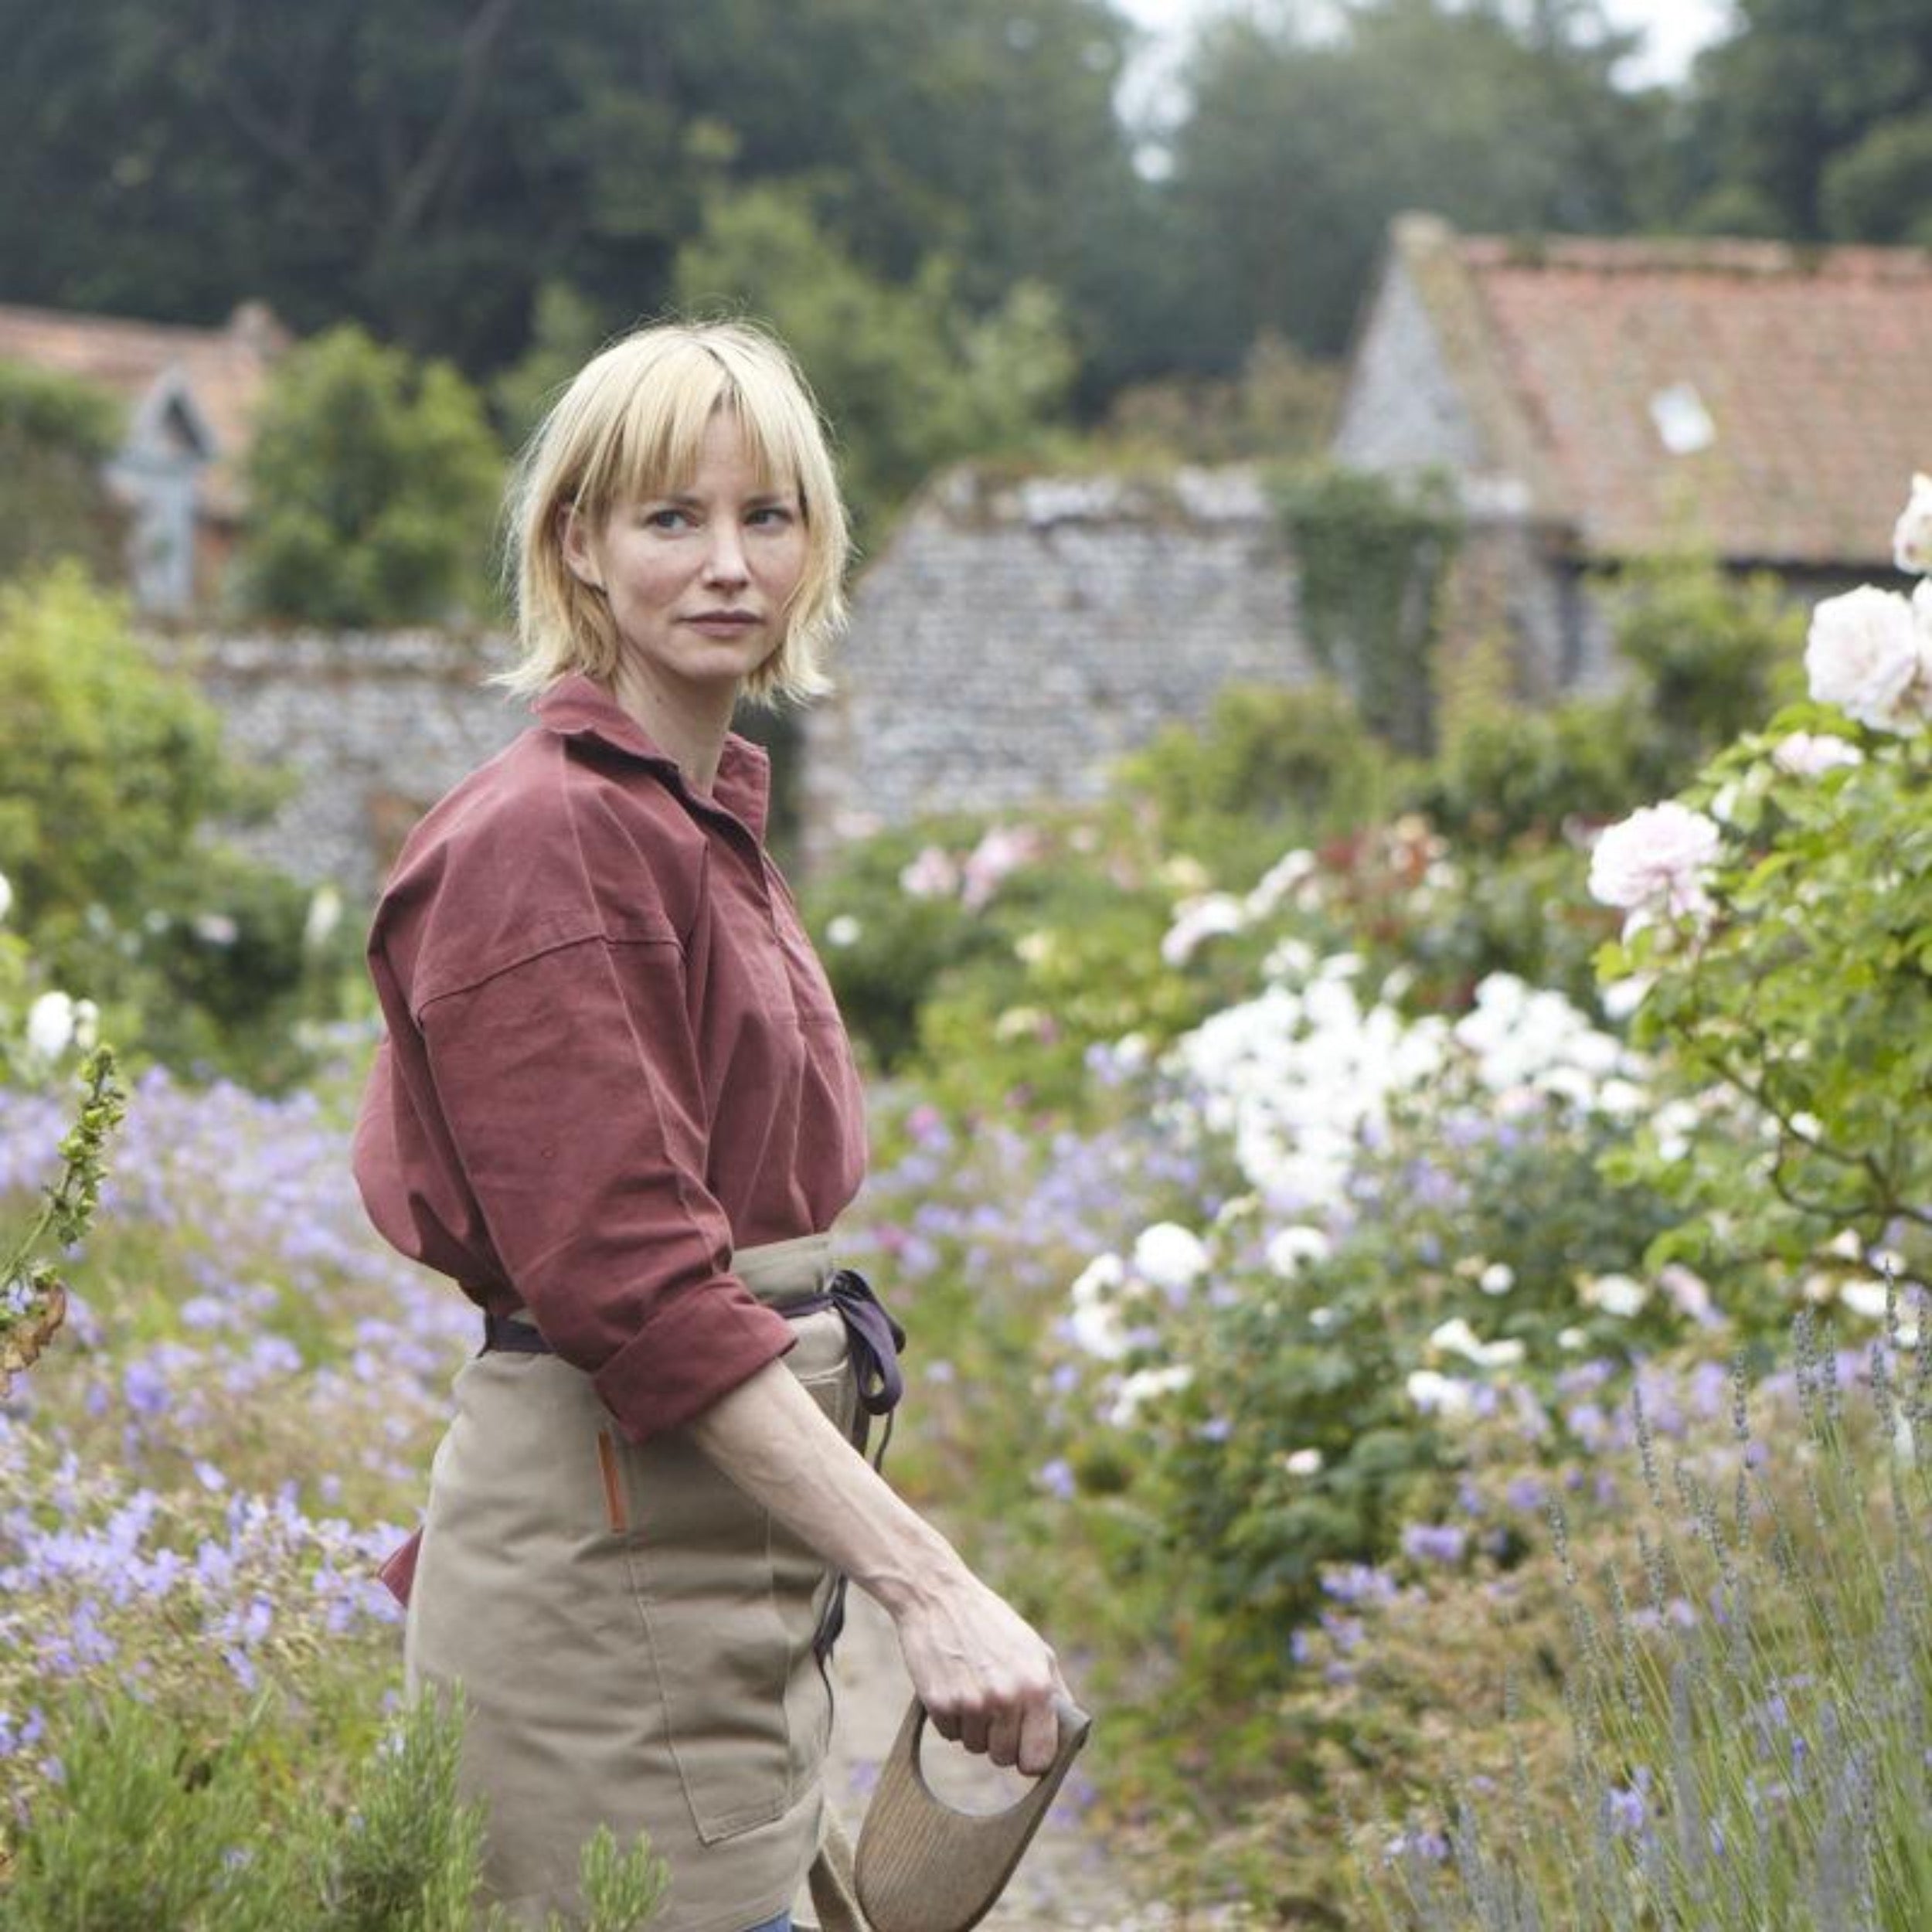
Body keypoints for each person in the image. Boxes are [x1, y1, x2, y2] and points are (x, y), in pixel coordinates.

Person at [350, 318, 1066, 1932]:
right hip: (604, 1584)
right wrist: (929, 1586)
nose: (728, 561)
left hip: (716, 1562)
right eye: (670, 517)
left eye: (770, 514)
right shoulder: (538, 844)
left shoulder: (686, 818)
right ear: (579, 549)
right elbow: (640, 1288)